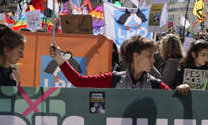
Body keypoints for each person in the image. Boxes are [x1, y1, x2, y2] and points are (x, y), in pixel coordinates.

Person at [50, 35, 191, 94]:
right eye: (149, 56)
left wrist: (180, 89)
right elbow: (78, 81)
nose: (153, 61)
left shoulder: (155, 85)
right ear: (135, 56)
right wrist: (59, 59)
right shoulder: (114, 79)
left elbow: (172, 99)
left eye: (153, 56)